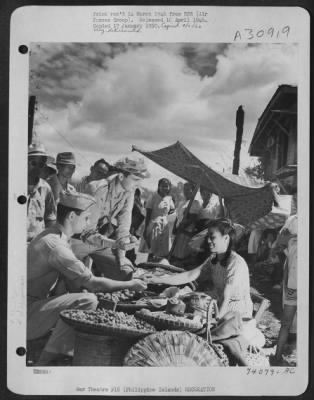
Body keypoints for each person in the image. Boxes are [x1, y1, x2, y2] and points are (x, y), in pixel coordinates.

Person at [27, 190, 147, 366]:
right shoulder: (56, 246)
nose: (89, 222)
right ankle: (45, 362)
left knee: (77, 290)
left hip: (28, 305)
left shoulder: (55, 235)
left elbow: (72, 280)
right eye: (86, 218)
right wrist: (130, 284)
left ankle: (56, 348)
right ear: (72, 216)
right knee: (87, 300)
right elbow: (94, 284)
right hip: (24, 314)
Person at [149, 218, 253, 319]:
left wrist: (219, 317)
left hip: (234, 310)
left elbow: (228, 295)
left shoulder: (235, 262)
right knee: (185, 300)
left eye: (212, 237)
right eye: (208, 237)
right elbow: (190, 275)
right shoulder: (213, 258)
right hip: (218, 303)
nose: (208, 241)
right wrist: (159, 279)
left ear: (226, 238)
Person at [72, 157, 150, 280]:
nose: (138, 184)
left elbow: (124, 227)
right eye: (135, 179)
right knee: (74, 280)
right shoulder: (97, 188)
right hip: (77, 239)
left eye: (140, 181)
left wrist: (123, 254)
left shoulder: (129, 191)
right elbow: (86, 233)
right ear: (121, 177)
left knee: (125, 272)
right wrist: (115, 244)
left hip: (99, 241)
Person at [270, 214, 297, 365]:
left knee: (286, 323)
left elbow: (281, 240)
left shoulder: (292, 242)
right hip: (295, 286)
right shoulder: (293, 241)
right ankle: (280, 354)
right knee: (287, 323)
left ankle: (278, 355)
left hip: (293, 286)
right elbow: (281, 240)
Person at [27, 143, 56, 242]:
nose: (37, 167)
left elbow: (50, 217)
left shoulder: (46, 188)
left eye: (41, 164)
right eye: (33, 163)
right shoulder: (12, 185)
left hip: (36, 245)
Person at [142, 178, 175, 259]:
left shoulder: (169, 199)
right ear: (159, 186)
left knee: (163, 250)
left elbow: (172, 209)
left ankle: (156, 268)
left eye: (167, 186)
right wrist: (146, 229)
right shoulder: (153, 197)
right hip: (154, 225)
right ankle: (148, 265)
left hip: (164, 226)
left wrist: (167, 214)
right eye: (162, 186)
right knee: (152, 249)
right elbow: (148, 213)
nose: (165, 188)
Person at [170, 182, 202, 266]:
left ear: (193, 191)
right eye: (185, 189)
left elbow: (192, 219)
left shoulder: (195, 203)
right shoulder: (182, 203)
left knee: (181, 256)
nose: (186, 191)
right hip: (179, 231)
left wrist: (181, 228)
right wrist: (174, 228)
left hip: (185, 233)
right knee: (174, 254)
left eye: (188, 189)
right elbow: (177, 217)